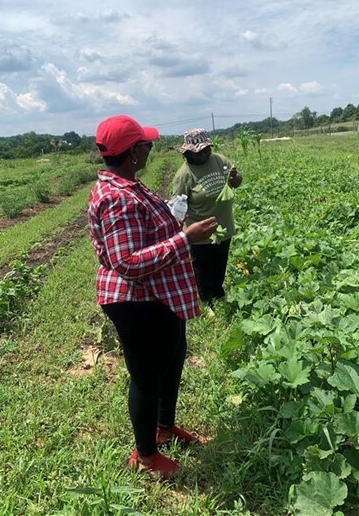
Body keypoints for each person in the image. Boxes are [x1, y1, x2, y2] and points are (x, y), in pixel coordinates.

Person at [87, 115, 218, 479]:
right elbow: (126, 262)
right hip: (136, 301)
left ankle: (164, 428)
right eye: (146, 144)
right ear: (132, 153)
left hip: (158, 296)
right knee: (145, 376)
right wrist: (184, 238)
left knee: (173, 357)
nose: (151, 148)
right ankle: (145, 457)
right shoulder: (117, 198)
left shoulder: (127, 184)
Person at [171, 128, 242, 304]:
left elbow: (236, 182)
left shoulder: (219, 160)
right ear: (188, 153)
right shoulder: (184, 175)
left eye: (206, 149)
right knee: (202, 268)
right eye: (199, 152)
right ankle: (207, 300)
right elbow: (177, 207)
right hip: (200, 232)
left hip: (223, 225)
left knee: (220, 264)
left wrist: (235, 177)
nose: (204, 154)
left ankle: (218, 292)